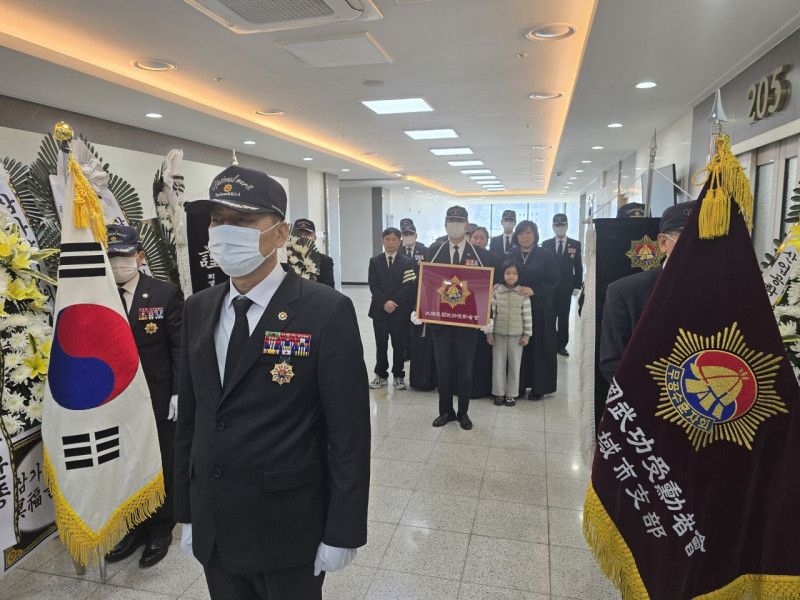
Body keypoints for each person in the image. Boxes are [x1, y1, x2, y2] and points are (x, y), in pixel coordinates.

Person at [175, 165, 370, 600]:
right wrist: (187, 511)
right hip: (215, 526)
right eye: (218, 220)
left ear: (280, 234)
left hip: (287, 529)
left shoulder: (325, 311)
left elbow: (349, 433)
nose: (226, 232)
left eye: (243, 220)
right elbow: (191, 418)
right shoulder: (198, 308)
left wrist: (343, 530)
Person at [103, 225, 183, 568]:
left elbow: (178, 347)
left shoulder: (165, 293)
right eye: (110, 257)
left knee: (161, 459)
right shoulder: (99, 294)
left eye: (122, 256)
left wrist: (179, 391)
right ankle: (134, 526)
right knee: (127, 460)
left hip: (157, 394)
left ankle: (161, 528)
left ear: (139, 257)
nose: (116, 263)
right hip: (115, 398)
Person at [599, 201, 695, 383]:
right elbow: (612, 363)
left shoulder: (727, 293)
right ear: (663, 242)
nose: (698, 245)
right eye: (689, 236)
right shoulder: (625, 292)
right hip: (647, 395)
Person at [424, 205, 493, 430]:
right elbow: (425, 283)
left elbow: (486, 287)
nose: (455, 225)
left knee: (465, 369)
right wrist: (420, 308)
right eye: (451, 221)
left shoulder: (481, 255)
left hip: (467, 321)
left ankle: (463, 412)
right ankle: (445, 411)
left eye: (459, 221)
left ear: (466, 225)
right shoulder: (434, 251)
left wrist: (487, 314)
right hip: (440, 321)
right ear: (445, 224)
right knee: (443, 368)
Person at [505, 220, 559, 399]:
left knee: (539, 348)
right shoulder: (511, 254)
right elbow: (504, 275)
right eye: (521, 233)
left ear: (535, 235)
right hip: (516, 309)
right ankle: (518, 386)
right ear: (516, 236)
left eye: (529, 232)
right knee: (518, 348)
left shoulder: (546, 255)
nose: (525, 236)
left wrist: (534, 290)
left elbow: (553, 279)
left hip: (540, 307)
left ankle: (539, 387)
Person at [368, 227, 416, 390]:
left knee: (399, 345)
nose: (390, 243)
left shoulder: (407, 262)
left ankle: (398, 375)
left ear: (399, 242)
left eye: (394, 240)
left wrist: (393, 302)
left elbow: (407, 286)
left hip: (399, 311)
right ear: (383, 241)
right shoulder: (375, 261)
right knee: (381, 344)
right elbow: (373, 285)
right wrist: (384, 302)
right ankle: (381, 375)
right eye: (387, 239)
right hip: (380, 310)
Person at [487, 261, 532, 407]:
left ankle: (511, 394)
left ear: (519, 275)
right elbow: (491, 315)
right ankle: (499, 393)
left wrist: (527, 335)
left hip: (517, 337)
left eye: (514, 273)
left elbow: (527, 316)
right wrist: (489, 333)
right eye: (507, 273)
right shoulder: (496, 292)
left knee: (515, 366)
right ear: (502, 274)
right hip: (498, 335)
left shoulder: (523, 293)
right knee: (498, 365)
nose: (511, 276)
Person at [541, 214, 583, 357]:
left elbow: (578, 266)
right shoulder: (546, 244)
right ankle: (550, 344)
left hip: (566, 287)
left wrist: (577, 285)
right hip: (550, 288)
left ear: (567, 226)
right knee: (550, 317)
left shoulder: (575, 244)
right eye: (557, 225)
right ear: (553, 227)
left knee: (564, 318)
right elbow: (543, 267)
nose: (560, 228)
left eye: (562, 225)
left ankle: (562, 345)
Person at [293, 218, 335, 288]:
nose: (303, 237)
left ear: (314, 238)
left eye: (307, 234)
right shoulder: (286, 260)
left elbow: (330, 290)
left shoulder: (324, 261)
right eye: (299, 234)